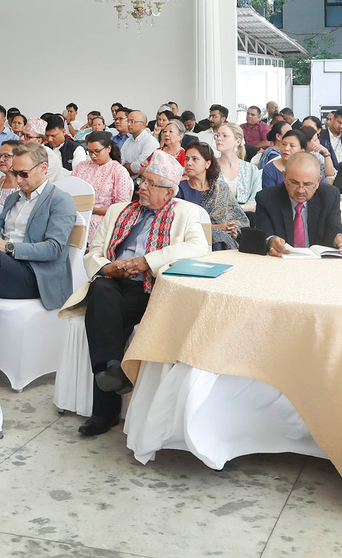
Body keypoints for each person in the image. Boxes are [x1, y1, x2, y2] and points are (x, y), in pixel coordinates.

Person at [69, 150, 212, 435]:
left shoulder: (186, 213)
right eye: (141, 180)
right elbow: (93, 253)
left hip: (150, 288)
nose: (141, 187)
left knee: (105, 312)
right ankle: (112, 370)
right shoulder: (118, 210)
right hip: (112, 279)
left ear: (169, 191)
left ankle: (104, 408)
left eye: (149, 183)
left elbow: (199, 248)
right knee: (102, 289)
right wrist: (107, 268)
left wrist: (148, 261)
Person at [0, 143, 78, 306]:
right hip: (5, 266)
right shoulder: (13, 199)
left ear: (43, 168)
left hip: (36, 276)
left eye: (24, 174)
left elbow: (54, 248)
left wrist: (8, 247)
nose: (18, 179)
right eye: (14, 172)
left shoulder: (60, 200)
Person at [253, 152, 342, 257]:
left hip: (319, 263)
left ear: (318, 181)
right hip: (281, 261)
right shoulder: (267, 198)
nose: (300, 190)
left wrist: (338, 238)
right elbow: (264, 234)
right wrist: (271, 241)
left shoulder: (329, 195)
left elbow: (333, 228)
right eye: (294, 183)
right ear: (284, 177)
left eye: (307, 184)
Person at [178, 142, 244, 250]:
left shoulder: (220, 188)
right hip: (191, 244)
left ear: (207, 164)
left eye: (195, 159)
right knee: (217, 234)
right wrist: (216, 228)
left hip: (225, 241)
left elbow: (240, 219)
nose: (189, 163)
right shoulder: (180, 189)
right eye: (186, 159)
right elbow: (180, 226)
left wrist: (233, 229)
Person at [74, 129, 133, 241]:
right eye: (90, 152)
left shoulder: (118, 171)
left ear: (108, 149)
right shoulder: (81, 166)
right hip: (77, 211)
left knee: (90, 223)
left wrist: (95, 210)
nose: (93, 156)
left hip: (102, 216)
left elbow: (121, 207)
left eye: (97, 151)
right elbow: (71, 190)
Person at [210, 122, 261, 213]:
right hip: (215, 218)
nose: (219, 139)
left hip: (246, 218)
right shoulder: (209, 167)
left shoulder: (251, 169)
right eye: (217, 136)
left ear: (238, 141)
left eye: (224, 136)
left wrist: (238, 208)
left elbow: (256, 202)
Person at [119, 110, 157, 178]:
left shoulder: (150, 141)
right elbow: (120, 162)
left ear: (143, 124)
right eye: (128, 121)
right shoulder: (128, 140)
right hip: (126, 179)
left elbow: (140, 167)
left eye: (132, 121)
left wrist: (126, 166)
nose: (129, 124)